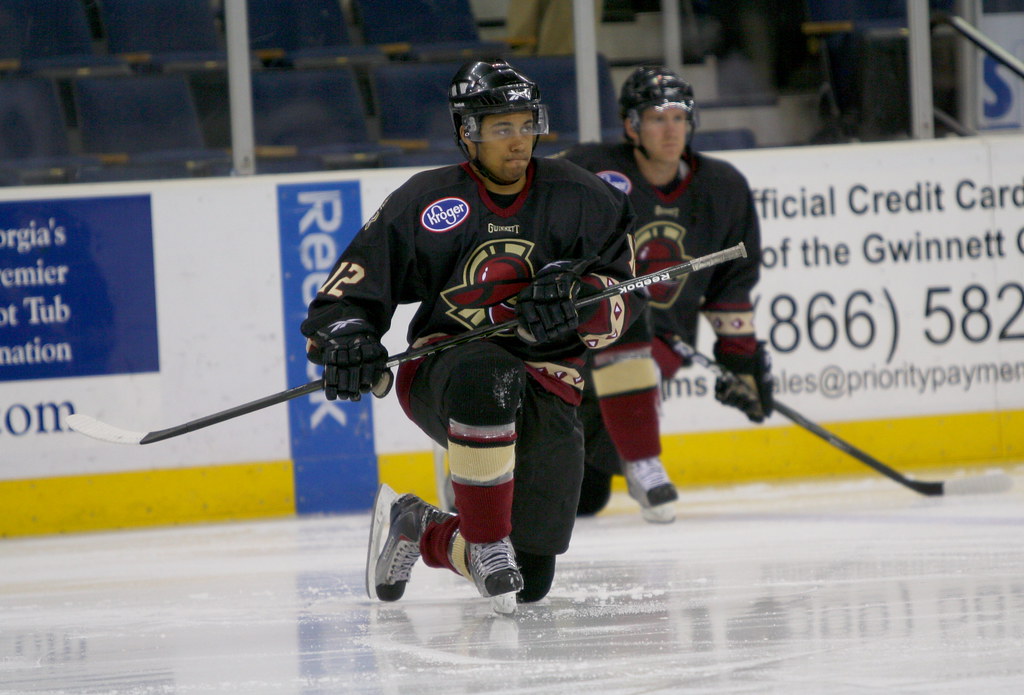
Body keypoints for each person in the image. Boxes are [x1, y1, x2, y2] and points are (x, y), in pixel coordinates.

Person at [301, 60, 640, 613]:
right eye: (500, 128)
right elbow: (345, 298)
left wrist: (580, 302)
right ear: (467, 134)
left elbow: (626, 298)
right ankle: (486, 544)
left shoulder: (580, 196)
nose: (518, 142)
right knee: (490, 374)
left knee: (528, 581)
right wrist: (347, 338)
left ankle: (417, 526)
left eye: (525, 124)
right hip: (447, 368)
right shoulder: (425, 199)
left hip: (549, 382)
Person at [559, 65, 773, 523]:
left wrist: (740, 359)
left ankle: (628, 459)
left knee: (583, 498)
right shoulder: (590, 169)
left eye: (679, 116)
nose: (670, 128)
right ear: (631, 125)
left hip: (661, 345)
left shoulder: (723, 186)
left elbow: (732, 280)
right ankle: (485, 474)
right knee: (575, 486)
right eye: (656, 117)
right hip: (581, 336)